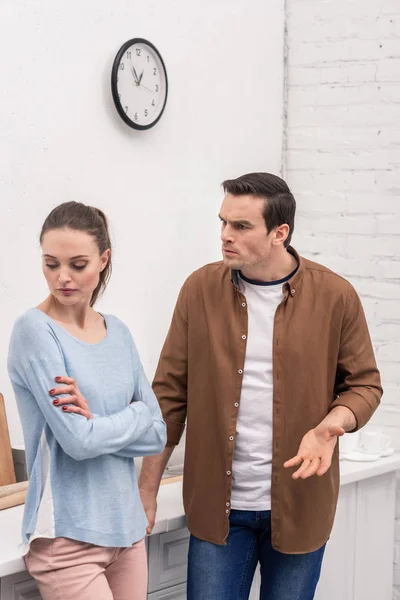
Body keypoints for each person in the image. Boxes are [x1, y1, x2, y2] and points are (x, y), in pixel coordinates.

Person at [137, 172, 383, 600]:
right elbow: (168, 399)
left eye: (241, 226)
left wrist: (331, 425)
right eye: (223, 222)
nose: (225, 235)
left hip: (300, 507)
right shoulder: (199, 290)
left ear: (279, 233)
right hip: (219, 510)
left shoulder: (335, 296)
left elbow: (365, 385)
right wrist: (146, 492)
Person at [7, 201, 166, 600]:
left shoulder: (119, 333)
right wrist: (136, 413)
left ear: (103, 260)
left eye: (77, 265)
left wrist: (96, 422)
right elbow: (78, 444)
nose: (62, 278)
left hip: (127, 532)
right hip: (67, 538)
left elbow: (158, 436)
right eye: (50, 263)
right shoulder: (35, 331)